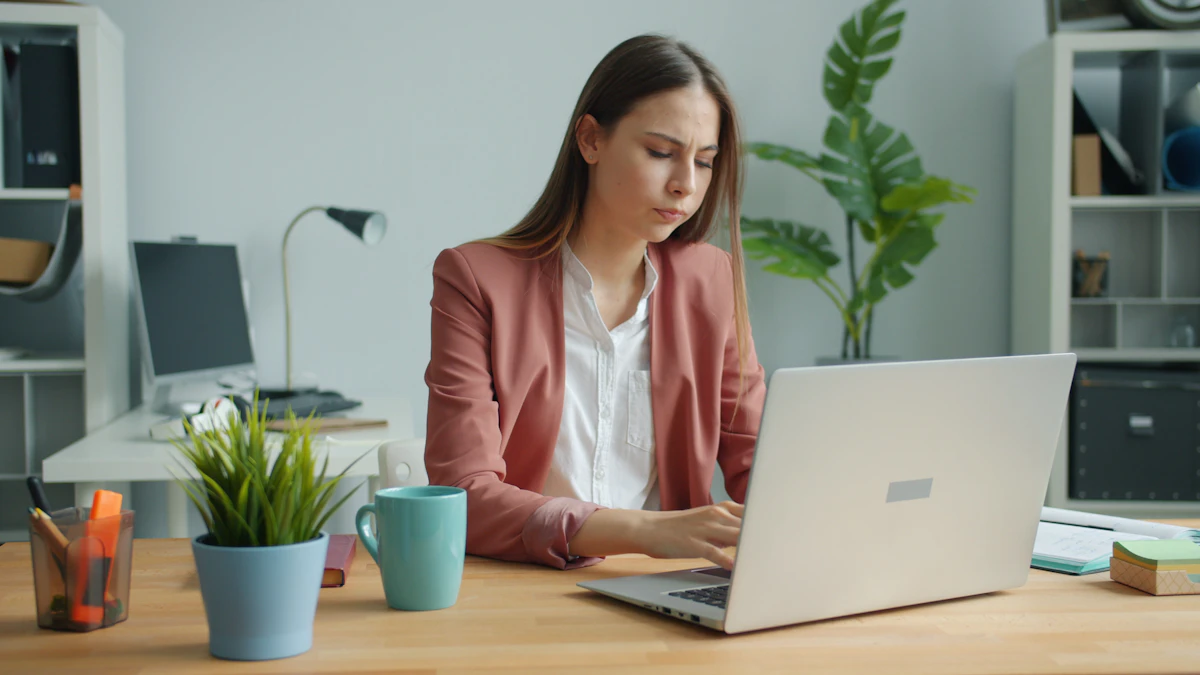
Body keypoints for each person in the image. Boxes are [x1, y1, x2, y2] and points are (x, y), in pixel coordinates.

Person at [424, 34, 766, 571]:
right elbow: (461, 493)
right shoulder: (477, 280)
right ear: (591, 140)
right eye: (660, 153)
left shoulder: (710, 280)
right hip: (528, 589)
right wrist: (642, 531)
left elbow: (762, 463)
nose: (685, 184)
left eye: (704, 162)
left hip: (668, 594)